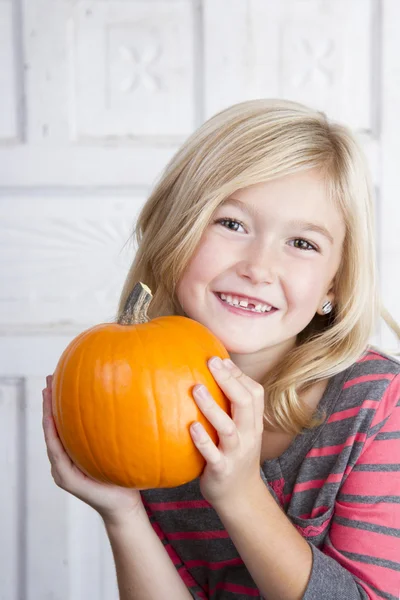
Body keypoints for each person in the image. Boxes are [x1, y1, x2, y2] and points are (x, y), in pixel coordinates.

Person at [42, 99, 400, 600]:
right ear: (175, 235)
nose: (258, 266)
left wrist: (240, 494)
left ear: (333, 287)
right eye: (231, 224)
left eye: (302, 243)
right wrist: (122, 512)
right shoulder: (142, 406)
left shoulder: (377, 404)